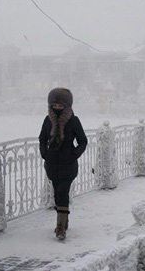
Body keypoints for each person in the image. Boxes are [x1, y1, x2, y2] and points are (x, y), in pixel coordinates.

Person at [39, 88, 88, 240]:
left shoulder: (74, 121)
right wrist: (45, 154)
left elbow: (83, 141)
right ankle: (64, 221)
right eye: (54, 105)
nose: (57, 108)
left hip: (68, 164)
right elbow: (42, 138)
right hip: (53, 164)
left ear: (67, 106)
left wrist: (74, 154)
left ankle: (60, 228)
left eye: (61, 106)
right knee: (56, 193)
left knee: (63, 193)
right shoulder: (48, 120)